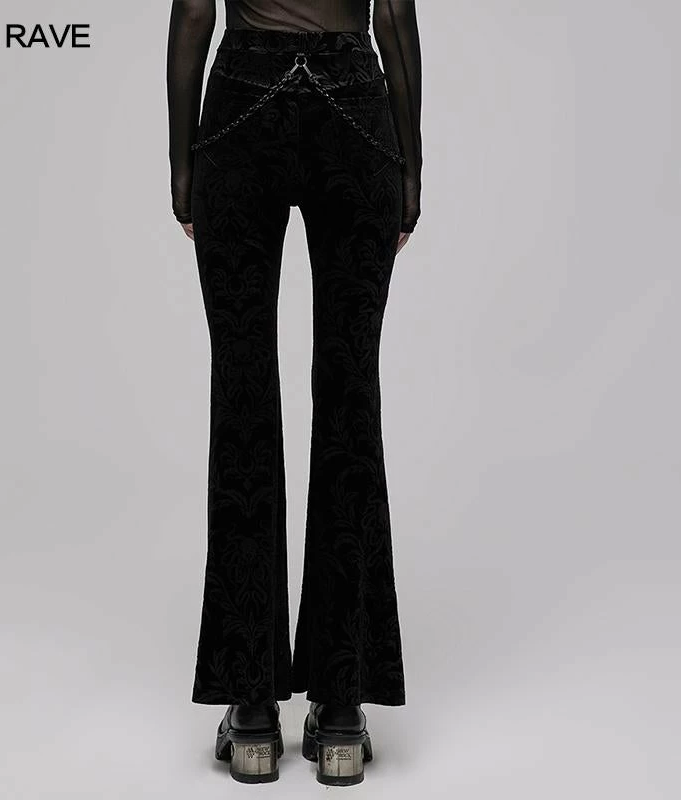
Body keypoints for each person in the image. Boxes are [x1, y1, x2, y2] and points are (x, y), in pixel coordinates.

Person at [166, 0, 422, 785]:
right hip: (354, 106)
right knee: (350, 397)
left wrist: (182, 167)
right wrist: (410, 166)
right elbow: (393, 13)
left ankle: (251, 710)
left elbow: (193, 11)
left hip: (242, 105)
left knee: (241, 400)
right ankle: (341, 711)